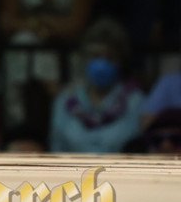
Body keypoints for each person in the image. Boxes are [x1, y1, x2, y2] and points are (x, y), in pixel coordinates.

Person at [49, 19, 144, 155]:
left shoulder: (135, 101)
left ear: (121, 62)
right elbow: (56, 147)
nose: (101, 64)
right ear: (84, 59)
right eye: (95, 56)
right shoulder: (65, 99)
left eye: (109, 58)